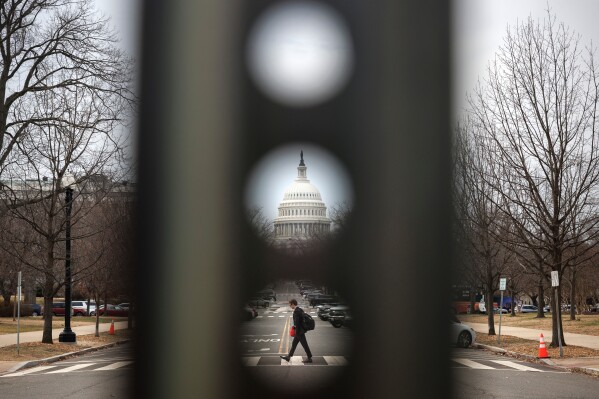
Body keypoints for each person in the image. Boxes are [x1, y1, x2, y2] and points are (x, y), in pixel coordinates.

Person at [280, 298, 313, 363]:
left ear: (293, 304)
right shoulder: (299, 309)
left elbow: (297, 322)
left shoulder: (296, 311)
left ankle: (309, 358)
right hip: (299, 331)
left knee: (304, 345)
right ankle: (288, 357)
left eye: (290, 305)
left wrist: (295, 329)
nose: (290, 306)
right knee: (294, 344)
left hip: (299, 332)